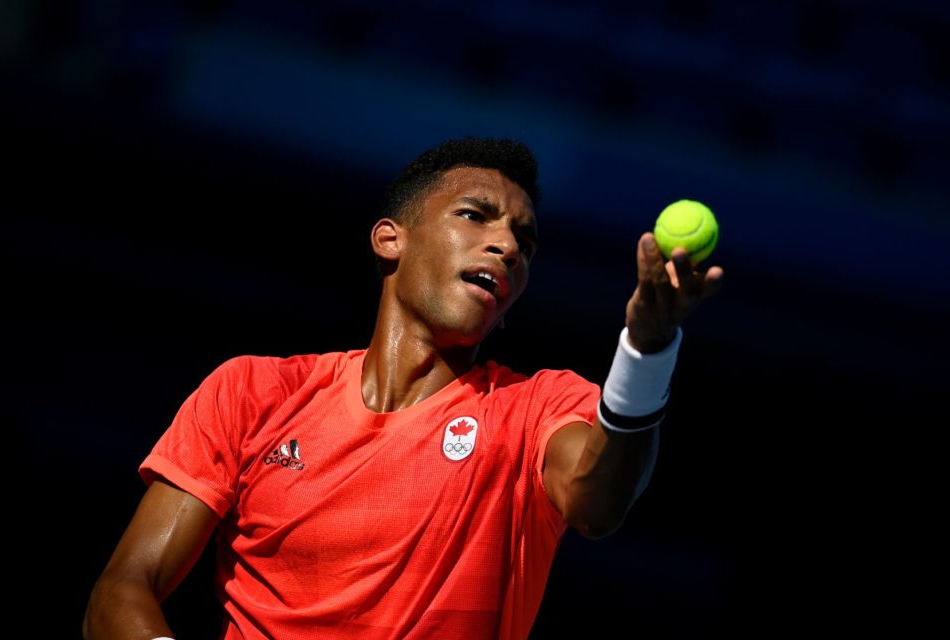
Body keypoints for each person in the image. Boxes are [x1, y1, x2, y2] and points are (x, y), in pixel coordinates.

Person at [83, 137, 723, 639]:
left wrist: (647, 348)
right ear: (392, 239)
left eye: (524, 243)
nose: (506, 245)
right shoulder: (253, 392)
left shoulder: (535, 410)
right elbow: (123, 590)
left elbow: (597, 503)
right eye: (477, 216)